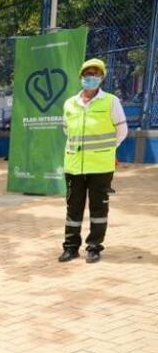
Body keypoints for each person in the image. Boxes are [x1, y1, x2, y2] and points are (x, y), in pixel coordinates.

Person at [58, 58, 127, 264]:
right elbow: (66, 130)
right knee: (73, 208)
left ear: (102, 78)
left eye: (96, 74)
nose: (91, 77)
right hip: (74, 166)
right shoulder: (70, 103)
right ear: (81, 77)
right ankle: (71, 247)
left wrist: (108, 150)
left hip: (100, 166)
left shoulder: (111, 101)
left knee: (98, 208)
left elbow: (122, 130)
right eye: (88, 74)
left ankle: (94, 247)